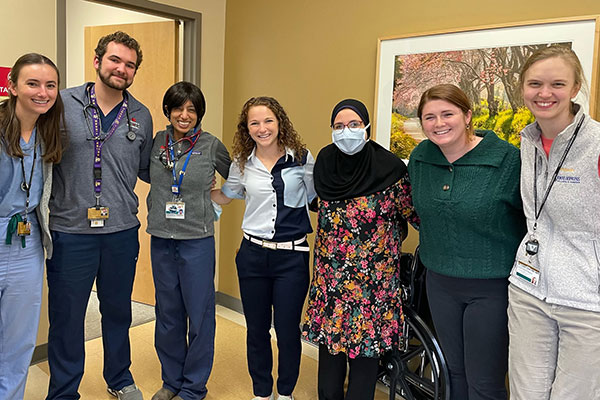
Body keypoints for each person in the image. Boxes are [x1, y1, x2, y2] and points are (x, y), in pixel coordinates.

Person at [46, 31, 153, 400]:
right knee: (67, 317)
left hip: (122, 232)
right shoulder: (62, 103)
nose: (121, 69)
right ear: (97, 61)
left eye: (129, 65)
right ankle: (63, 391)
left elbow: (147, 169)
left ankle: (119, 378)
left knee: (118, 311)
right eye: (115, 60)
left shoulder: (141, 115)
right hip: (70, 231)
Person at [407, 84, 525, 400]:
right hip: (440, 282)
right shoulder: (420, 157)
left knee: (484, 383)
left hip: (491, 287)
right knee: (452, 374)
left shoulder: (507, 160)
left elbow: (530, 221)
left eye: (448, 113)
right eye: (429, 117)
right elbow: (418, 212)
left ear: (467, 115)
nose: (439, 123)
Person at [302, 99, 419, 400]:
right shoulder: (325, 165)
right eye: (339, 126)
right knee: (329, 360)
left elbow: (414, 216)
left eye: (354, 125)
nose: (346, 132)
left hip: (373, 287)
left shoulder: (391, 170)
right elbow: (317, 207)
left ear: (366, 127)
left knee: (364, 362)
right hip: (332, 283)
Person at [508, 45, 600, 399]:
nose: (545, 93)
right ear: (523, 89)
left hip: (586, 302)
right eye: (535, 84)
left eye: (557, 84)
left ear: (575, 88)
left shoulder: (595, 143)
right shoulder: (527, 141)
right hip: (528, 291)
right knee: (525, 394)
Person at [211, 96, 315, 400]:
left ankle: (285, 393)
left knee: (287, 330)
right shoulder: (242, 163)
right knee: (256, 330)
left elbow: (317, 198)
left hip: (292, 257)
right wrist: (197, 192)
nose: (262, 128)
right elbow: (227, 195)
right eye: (254, 122)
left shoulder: (302, 159)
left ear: (279, 122)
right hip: (253, 255)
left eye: (268, 120)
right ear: (247, 128)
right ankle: (261, 392)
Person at [147, 81, 231, 400]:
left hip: (197, 240)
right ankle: (171, 381)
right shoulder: (157, 142)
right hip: (161, 239)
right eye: (179, 108)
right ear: (168, 111)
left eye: (192, 109)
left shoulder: (210, 145)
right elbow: (147, 174)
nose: (185, 115)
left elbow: (237, 177)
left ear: (199, 114)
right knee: (167, 315)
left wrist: (216, 197)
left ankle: (194, 387)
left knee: (199, 315)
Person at [0, 53, 63, 400]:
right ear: (12, 87)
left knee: (18, 340)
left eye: (50, 85)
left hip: (27, 244)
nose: (43, 92)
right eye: (33, 83)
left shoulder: (49, 132)